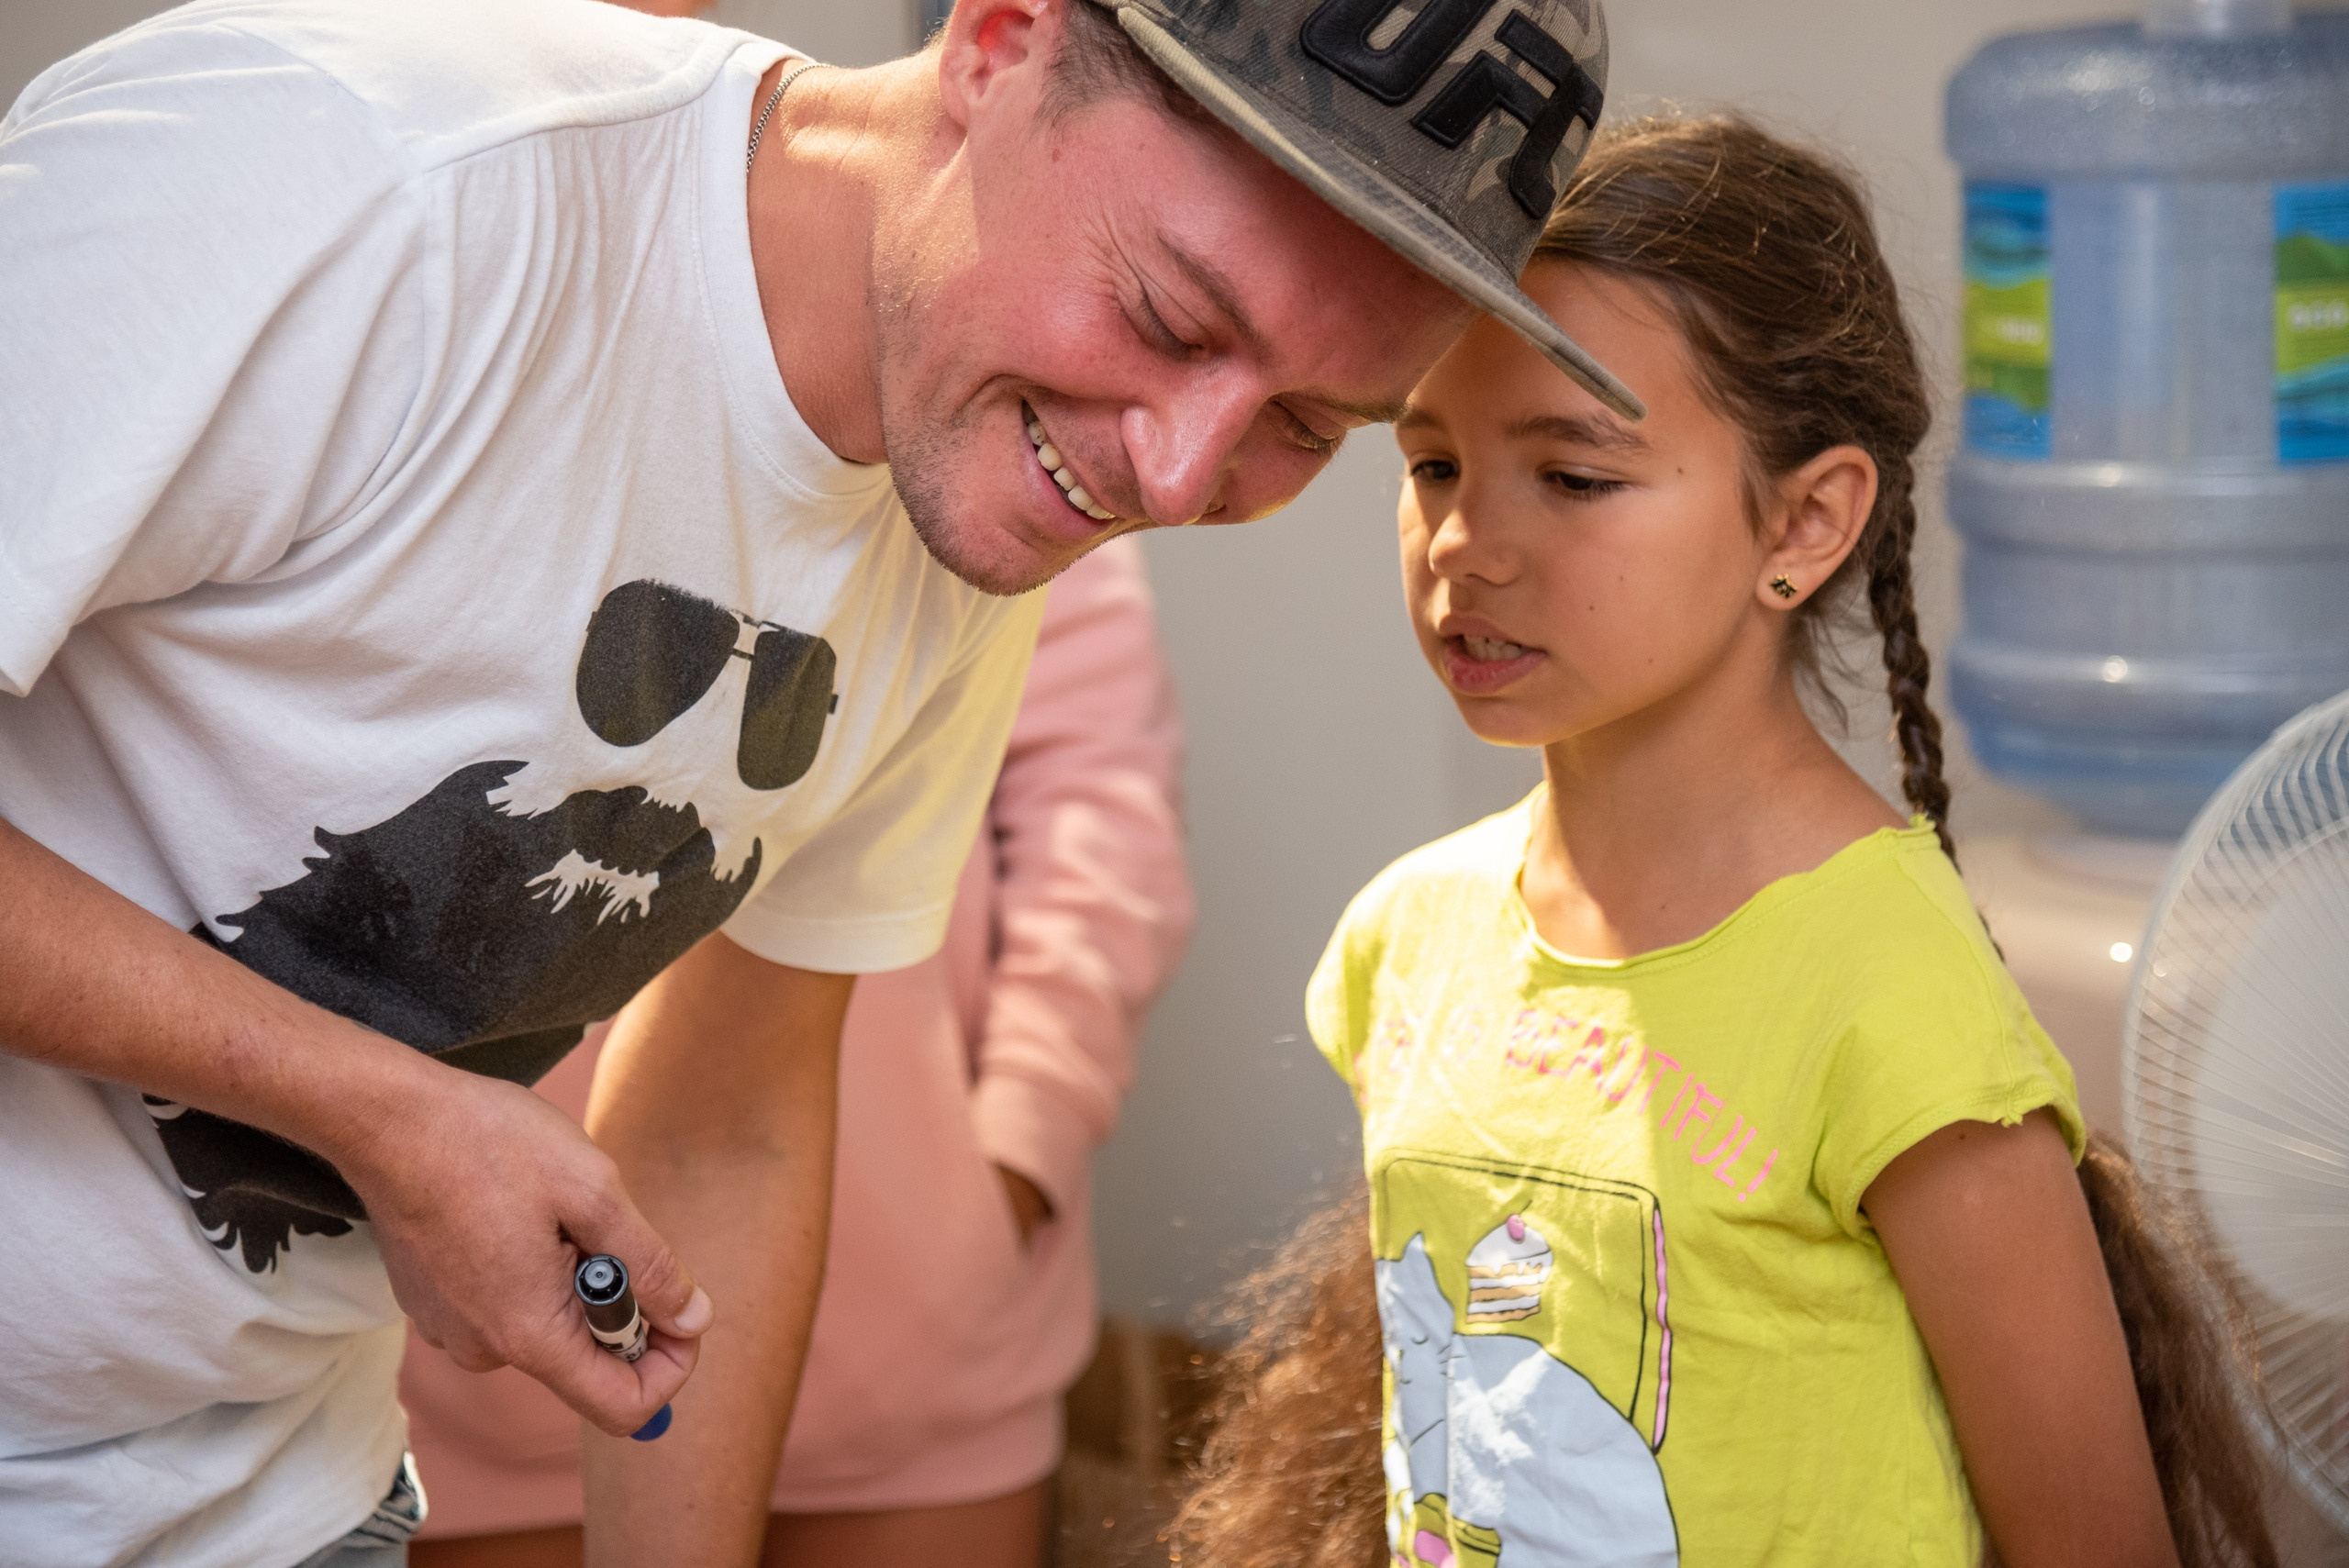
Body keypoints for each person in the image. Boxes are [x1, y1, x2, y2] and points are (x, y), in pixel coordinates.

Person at [0, 0, 1631, 1557]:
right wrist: (381, 1108)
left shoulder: (984, 484)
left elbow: (729, 1117)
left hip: (278, 1491)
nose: (1174, 471)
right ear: (1001, 43)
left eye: (1304, 422)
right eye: (1169, 316)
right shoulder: (348, 175)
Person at [1166, 118, 2279, 1568]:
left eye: (1573, 477)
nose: (1464, 545)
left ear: (1805, 521)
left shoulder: (1887, 988)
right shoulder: (1406, 938)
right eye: (1433, 464)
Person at [397, 537, 1190, 1567]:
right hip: (495, 1345)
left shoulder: (1028, 455)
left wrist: (1016, 1156)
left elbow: (1097, 812)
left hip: (917, 1348)